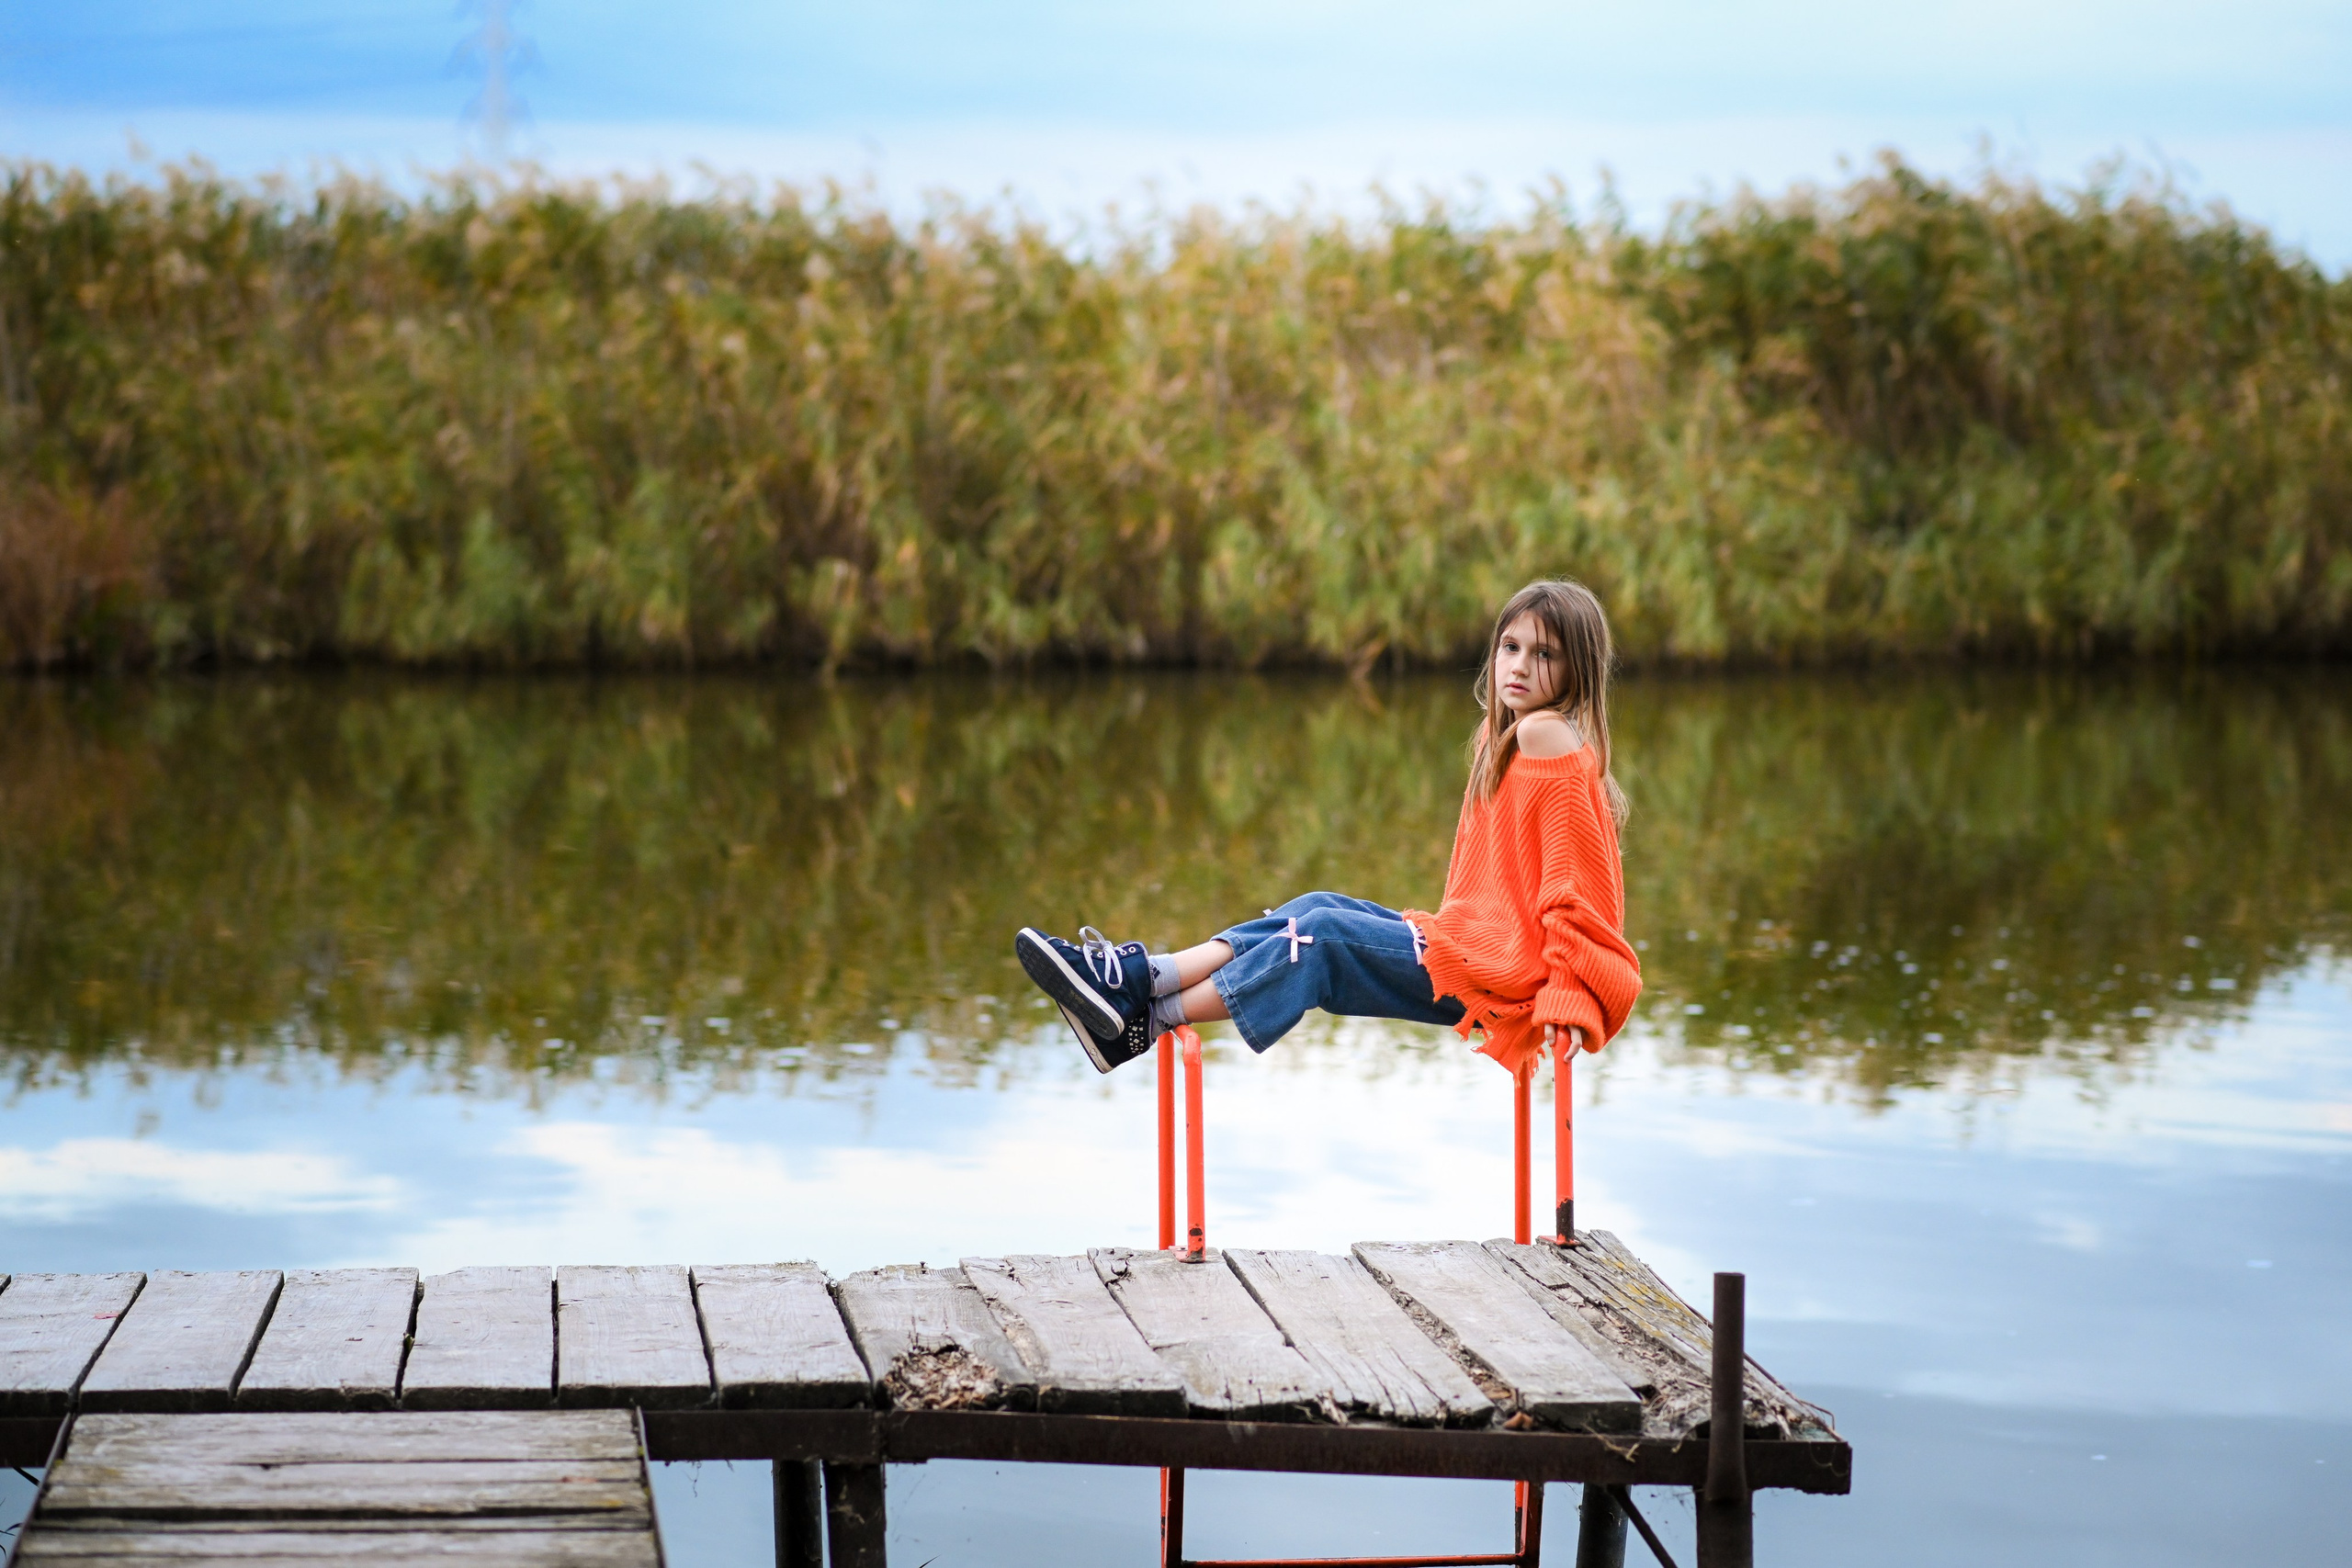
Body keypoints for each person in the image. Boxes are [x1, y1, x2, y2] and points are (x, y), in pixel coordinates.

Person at [1014, 579, 1642, 1078]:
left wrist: (1566, 995)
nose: (1521, 666)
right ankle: (1139, 987)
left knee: (1322, 936)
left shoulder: (1545, 735)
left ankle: (1142, 1011)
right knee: (1316, 906)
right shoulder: (1505, 735)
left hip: (1504, 977)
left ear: (1577, 670)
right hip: (1471, 947)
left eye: (1545, 654)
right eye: (1511, 646)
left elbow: (1573, 889)